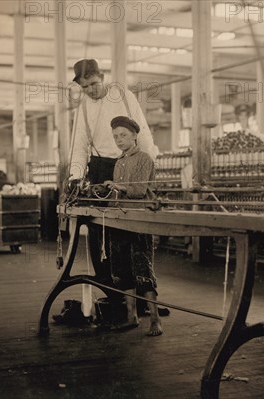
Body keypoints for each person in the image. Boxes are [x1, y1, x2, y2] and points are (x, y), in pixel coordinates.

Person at [69, 59, 158, 285]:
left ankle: (142, 296)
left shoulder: (125, 97)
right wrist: (75, 176)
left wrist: (148, 170)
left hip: (131, 164)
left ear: (103, 77)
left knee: (134, 230)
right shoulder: (83, 107)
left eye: (94, 84)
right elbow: (78, 144)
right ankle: (111, 291)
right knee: (100, 230)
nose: (90, 90)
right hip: (101, 169)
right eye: (85, 87)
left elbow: (143, 132)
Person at [103, 116, 163, 337]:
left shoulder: (144, 159)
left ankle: (155, 320)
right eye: (116, 136)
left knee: (142, 267)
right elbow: (117, 194)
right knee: (121, 268)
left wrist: (116, 185)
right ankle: (132, 316)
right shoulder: (119, 162)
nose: (119, 140)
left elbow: (138, 191)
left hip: (138, 221)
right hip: (120, 219)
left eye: (123, 135)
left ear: (135, 135)